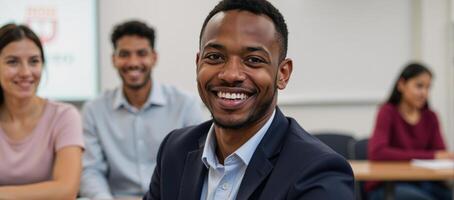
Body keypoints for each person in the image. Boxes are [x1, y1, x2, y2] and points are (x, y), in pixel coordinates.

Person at [143, 0, 355, 199]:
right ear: (198, 63)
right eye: (215, 57)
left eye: (253, 60)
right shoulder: (175, 150)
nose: (231, 74)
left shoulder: (319, 172)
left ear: (283, 73)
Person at [79, 20, 205, 199]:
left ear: (154, 57)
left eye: (141, 53)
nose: (133, 62)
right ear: (113, 59)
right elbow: (91, 171)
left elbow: (197, 166)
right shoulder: (94, 110)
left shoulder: (185, 105)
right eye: (124, 54)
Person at [0, 24, 84, 199]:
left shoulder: (64, 116)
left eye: (34, 61)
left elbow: (67, 191)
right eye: (12, 62)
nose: (25, 72)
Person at [367, 63, 454, 200]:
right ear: (401, 84)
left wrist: (435, 156)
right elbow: (378, 152)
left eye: (428, 87)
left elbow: (441, 153)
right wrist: (430, 156)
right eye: (419, 86)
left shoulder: (430, 117)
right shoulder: (387, 112)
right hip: (389, 184)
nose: (424, 93)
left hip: (422, 182)